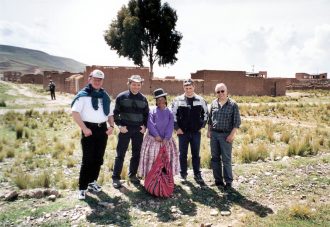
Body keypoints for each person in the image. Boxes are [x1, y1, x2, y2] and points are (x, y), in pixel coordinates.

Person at [71, 69, 114, 200]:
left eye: (99, 79)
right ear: (89, 79)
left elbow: (110, 113)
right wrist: (84, 128)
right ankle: (82, 188)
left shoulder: (104, 96)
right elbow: (75, 113)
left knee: (98, 158)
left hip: (102, 130)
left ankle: (92, 182)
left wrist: (111, 126)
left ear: (102, 81)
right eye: (95, 79)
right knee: (87, 159)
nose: (97, 81)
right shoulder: (83, 95)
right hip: (88, 129)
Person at [112, 75, 149, 189]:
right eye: (134, 84)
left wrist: (145, 127)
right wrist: (119, 126)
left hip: (138, 130)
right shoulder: (121, 97)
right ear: (129, 83)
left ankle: (132, 175)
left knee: (136, 153)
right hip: (125, 129)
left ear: (141, 85)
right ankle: (116, 178)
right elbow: (115, 113)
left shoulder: (143, 99)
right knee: (120, 154)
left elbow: (146, 115)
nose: (136, 87)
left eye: (138, 84)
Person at [171, 79, 208, 185]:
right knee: (182, 154)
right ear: (184, 88)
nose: (188, 90)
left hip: (196, 132)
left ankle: (197, 174)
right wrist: (177, 128)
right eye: (186, 88)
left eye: (190, 88)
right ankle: (183, 174)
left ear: (194, 87)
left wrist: (202, 126)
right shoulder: (177, 100)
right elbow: (173, 115)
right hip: (182, 132)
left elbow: (205, 114)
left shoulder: (201, 100)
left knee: (196, 154)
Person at [138, 88, 180, 178]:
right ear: (156, 101)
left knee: (165, 159)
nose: (160, 101)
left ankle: (164, 179)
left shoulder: (170, 112)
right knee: (153, 159)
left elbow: (170, 126)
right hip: (153, 140)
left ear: (165, 99)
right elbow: (150, 124)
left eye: (162, 98)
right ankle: (152, 178)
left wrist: (166, 138)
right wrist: (156, 135)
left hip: (166, 141)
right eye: (158, 99)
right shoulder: (152, 111)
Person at [207, 83, 241, 190]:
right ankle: (218, 181)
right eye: (218, 92)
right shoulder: (213, 104)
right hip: (214, 135)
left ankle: (229, 182)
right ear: (216, 93)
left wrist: (232, 135)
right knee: (215, 158)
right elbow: (209, 120)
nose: (220, 93)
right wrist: (209, 131)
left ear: (226, 91)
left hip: (226, 135)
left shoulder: (233, 105)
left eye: (222, 91)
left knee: (226, 159)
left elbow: (237, 123)